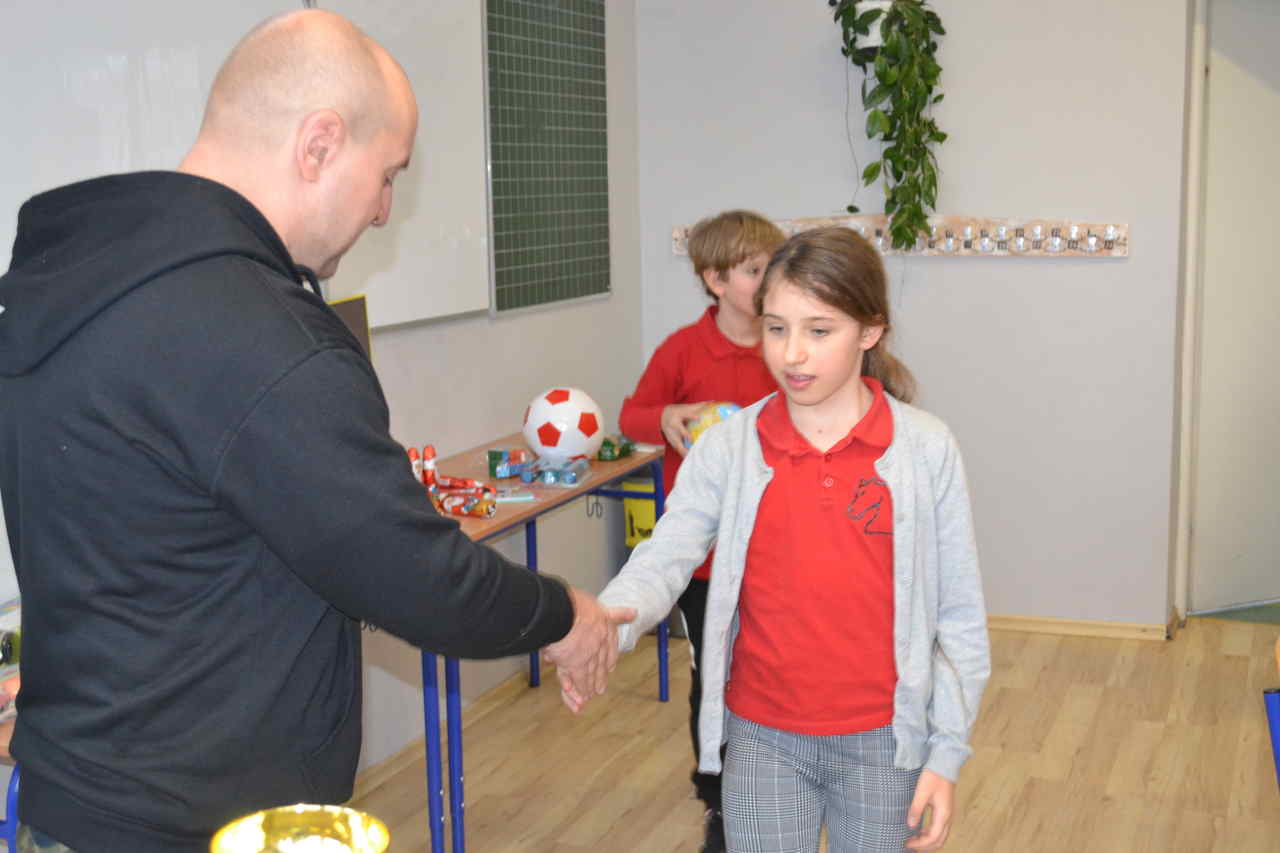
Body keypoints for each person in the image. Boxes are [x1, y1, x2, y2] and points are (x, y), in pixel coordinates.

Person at [0, 11, 629, 852]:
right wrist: (563, 612)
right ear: (320, 143)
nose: (384, 210)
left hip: (65, 802)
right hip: (203, 824)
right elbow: (415, 576)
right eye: (387, 174)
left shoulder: (71, 285)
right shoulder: (257, 335)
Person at [596, 227, 990, 852]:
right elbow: (666, 555)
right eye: (776, 328)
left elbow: (959, 615)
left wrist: (945, 756)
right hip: (763, 738)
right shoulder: (730, 447)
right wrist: (604, 621)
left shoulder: (925, 449)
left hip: (885, 742)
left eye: (819, 330)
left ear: (870, 331)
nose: (793, 354)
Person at [617, 209, 784, 852]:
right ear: (716, 280)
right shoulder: (682, 350)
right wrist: (666, 416)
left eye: (772, 265)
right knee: (713, 677)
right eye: (754, 269)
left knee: (770, 670)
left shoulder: (785, 345)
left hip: (777, 550)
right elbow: (632, 416)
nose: (768, 279)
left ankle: (777, 778)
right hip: (707, 560)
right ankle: (718, 797)